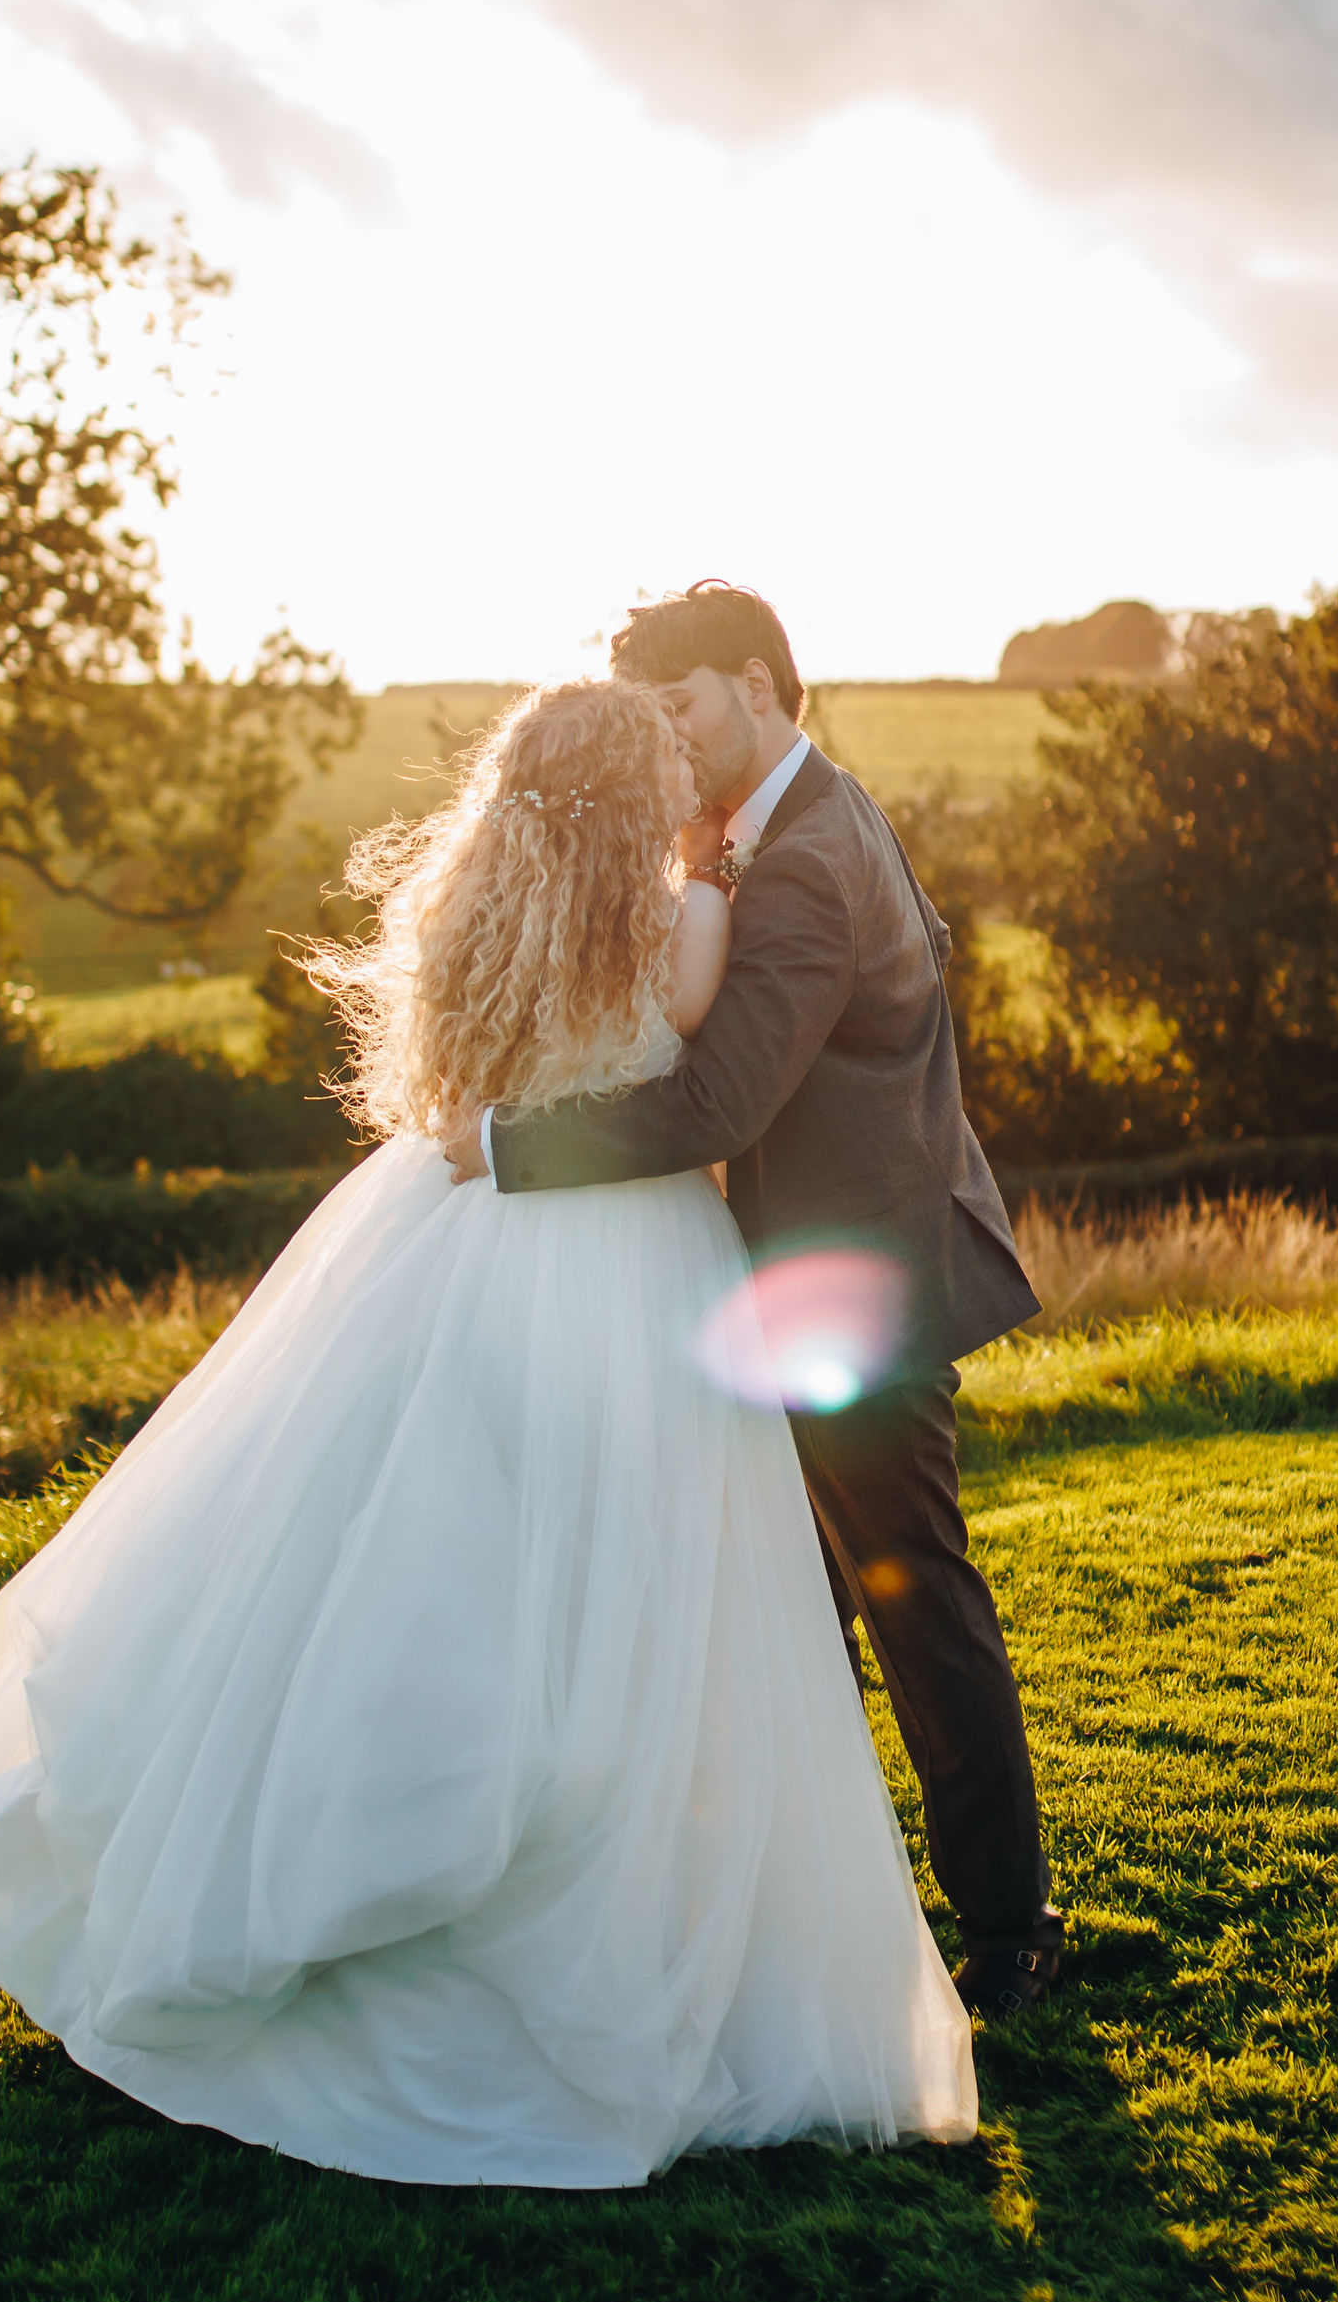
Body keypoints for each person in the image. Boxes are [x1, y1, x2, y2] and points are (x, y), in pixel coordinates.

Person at [0, 677, 975, 2190]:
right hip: (623, 1267)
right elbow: (706, 1085)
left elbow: (465, 1094)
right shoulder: (685, 928)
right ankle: (584, 1880)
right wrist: (710, 872)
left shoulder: (470, 914)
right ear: (627, 794)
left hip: (451, 1243)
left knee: (417, 1547)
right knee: (626, 1593)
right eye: (661, 762)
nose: (686, 778)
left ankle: (361, 1821)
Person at [448, 582, 1064, 2023]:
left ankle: (1011, 1928)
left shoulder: (799, 859)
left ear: (757, 681)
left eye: (681, 705)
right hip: (819, 1274)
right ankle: (822, 1906)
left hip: (856, 1297)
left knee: (912, 1596)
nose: (666, 736)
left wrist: (505, 1147)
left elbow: (720, 1097)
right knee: (802, 1606)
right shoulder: (798, 820)